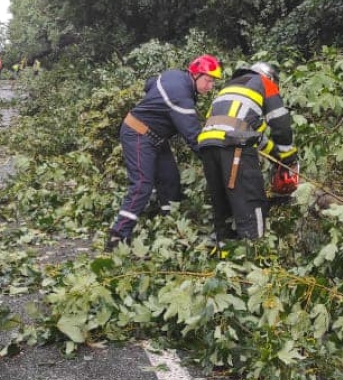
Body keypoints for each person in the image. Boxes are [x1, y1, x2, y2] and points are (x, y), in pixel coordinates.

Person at [107, 54, 223, 250]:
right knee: (142, 184)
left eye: (212, 82)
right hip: (137, 133)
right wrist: (214, 163)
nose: (210, 86)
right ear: (195, 75)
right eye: (208, 80)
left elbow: (149, 84)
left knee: (170, 180)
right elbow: (194, 138)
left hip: (156, 138)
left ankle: (169, 226)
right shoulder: (180, 95)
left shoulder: (175, 76)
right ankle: (117, 236)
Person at [197, 62, 296, 243]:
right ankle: (255, 255)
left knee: (223, 210)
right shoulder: (266, 84)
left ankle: (226, 261)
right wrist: (288, 156)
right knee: (252, 204)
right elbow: (280, 124)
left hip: (207, 145)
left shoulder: (228, 88)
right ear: (270, 78)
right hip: (234, 146)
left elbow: (251, 135)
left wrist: (276, 156)